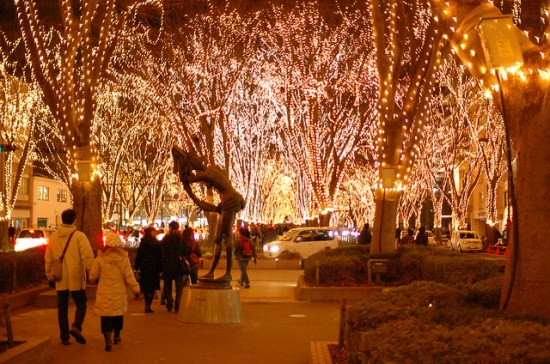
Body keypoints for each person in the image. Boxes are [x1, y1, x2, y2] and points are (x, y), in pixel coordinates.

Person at [172, 147, 245, 282]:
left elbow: (189, 179)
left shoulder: (207, 173)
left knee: (227, 238)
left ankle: (228, 273)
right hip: (226, 202)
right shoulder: (213, 169)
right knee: (218, 239)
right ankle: (211, 272)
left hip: (230, 201)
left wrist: (182, 164)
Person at [44, 209, 95, 346]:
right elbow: (87, 256)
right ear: (74, 220)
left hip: (59, 277)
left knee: (62, 307)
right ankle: (76, 326)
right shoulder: (79, 236)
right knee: (81, 303)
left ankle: (64, 336)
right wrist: (92, 272)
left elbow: (48, 258)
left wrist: (49, 275)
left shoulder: (54, 237)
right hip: (76, 276)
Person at [89, 232, 140, 352]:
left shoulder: (100, 257)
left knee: (106, 316)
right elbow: (129, 276)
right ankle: (117, 335)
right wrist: (136, 290)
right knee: (118, 314)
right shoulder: (124, 258)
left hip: (104, 291)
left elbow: (92, 276)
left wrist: (92, 278)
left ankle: (108, 341)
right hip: (119, 291)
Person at [161, 220, 187, 313]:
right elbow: (184, 250)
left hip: (167, 265)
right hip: (178, 265)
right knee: (179, 286)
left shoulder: (166, 238)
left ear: (170, 227)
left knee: (168, 285)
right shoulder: (180, 238)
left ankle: (169, 303)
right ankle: (178, 303)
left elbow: (162, 250)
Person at [134, 227, 162, 313]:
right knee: (152, 287)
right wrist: (161, 268)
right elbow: (160, 257)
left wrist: (136, 267)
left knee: (146, 286)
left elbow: (139, 256)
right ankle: (148, 304)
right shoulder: (156, 244)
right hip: (154, 267)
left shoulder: (143, 243)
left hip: (145, 267)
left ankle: (147, 303)